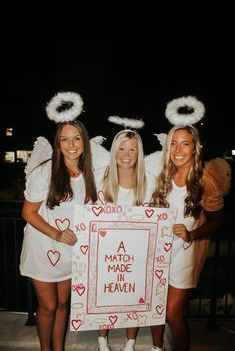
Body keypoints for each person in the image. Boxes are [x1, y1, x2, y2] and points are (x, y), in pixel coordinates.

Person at [20, 118, 97, 351]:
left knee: (63, 304)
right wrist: (56, 233)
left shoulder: (88, 173)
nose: (71, 144)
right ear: (57, 143)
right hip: (43, 247)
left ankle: (58, 348)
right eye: (64, 139)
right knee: (49, 306)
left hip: (69, 250)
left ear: (84, 141)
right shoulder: (45, 171)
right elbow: (28, 212)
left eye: (76, 138)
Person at [149, 125, 225, 351]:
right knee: (156, 307)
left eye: (185, 143)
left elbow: (217, 221)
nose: (178, 149)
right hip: (158, 250)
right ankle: (156, 348)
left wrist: (191, 233)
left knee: (172, 313)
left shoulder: (206, 180)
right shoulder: (162, 174)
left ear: (195, 148)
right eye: (173, 143)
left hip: (186, 252)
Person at [95, 129, 156, 351]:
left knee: (134, 293)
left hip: (137, 253)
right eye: (121, 148)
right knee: (102, 292)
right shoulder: (100, 178)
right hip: (104, 251)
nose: (126, 154)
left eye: (132, 149)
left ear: (139, 153)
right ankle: (102, 340)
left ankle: (130, 342)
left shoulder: (150, 182)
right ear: (114, 152)